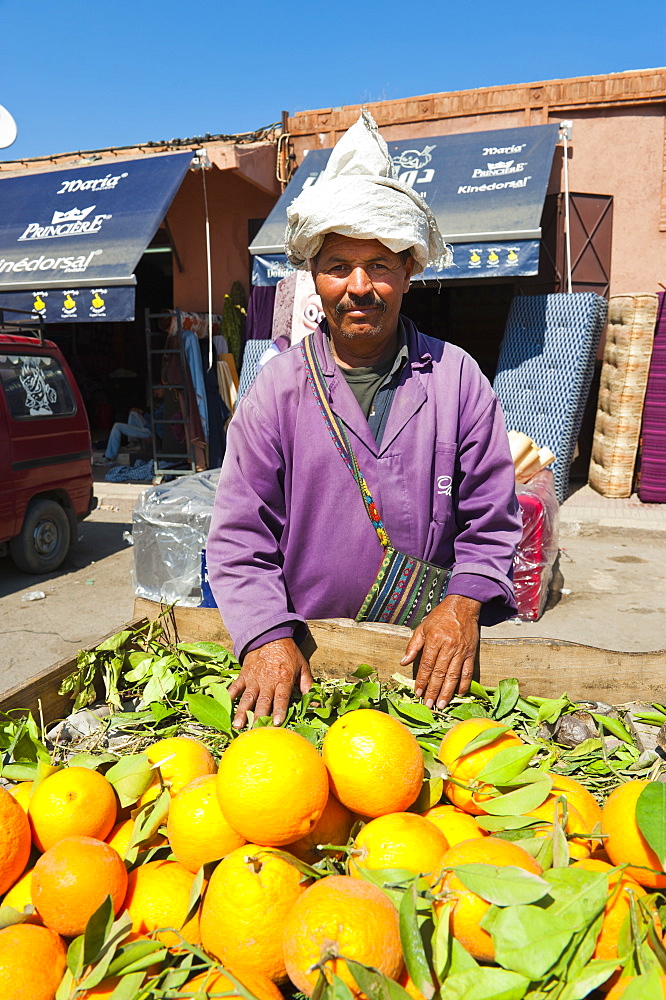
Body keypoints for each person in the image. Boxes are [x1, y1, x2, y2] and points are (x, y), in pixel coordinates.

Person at [206, 111, 522, 728]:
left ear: (409, 272)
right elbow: (240, 538)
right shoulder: (277, 389)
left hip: (427, 670)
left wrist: (463, 602)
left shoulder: (456, 378)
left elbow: (493, 519)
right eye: (337, 266)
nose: (359, 286)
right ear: (314, 280)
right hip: (310, 667)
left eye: (380, 265)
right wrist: (267, 634)